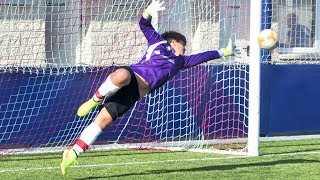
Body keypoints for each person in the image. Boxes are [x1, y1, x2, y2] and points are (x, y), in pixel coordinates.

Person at [60, 0, 234, 175]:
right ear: (174, 41)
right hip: (132, 76)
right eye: (183, 44)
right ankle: (94, 100)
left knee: (102, 122)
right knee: (120, 75)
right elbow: (144, 24)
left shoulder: (181, 61)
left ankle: (73, 152)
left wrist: (224, 52)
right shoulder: (158, 42)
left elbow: (203, 56)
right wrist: (148, 12)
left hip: (135, 93)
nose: (185, 48)